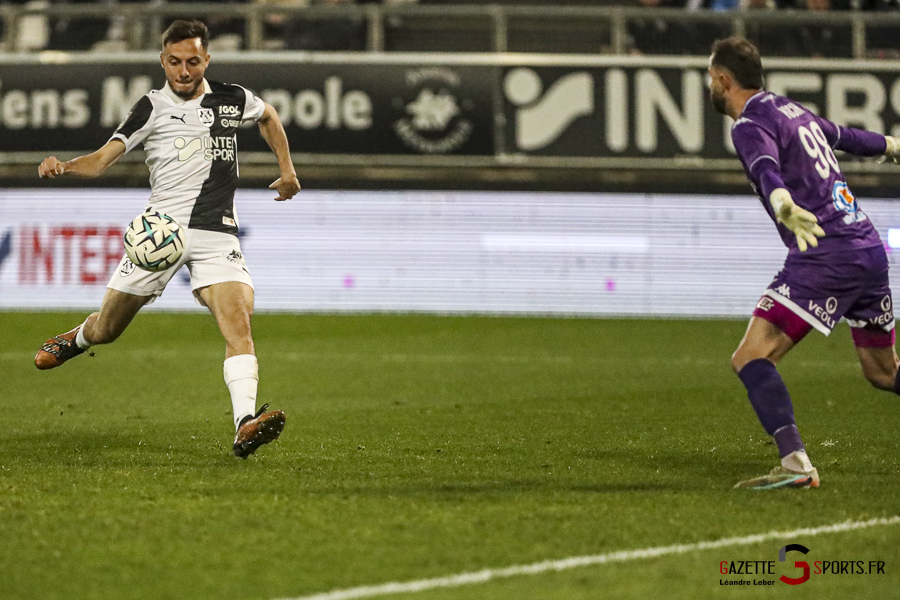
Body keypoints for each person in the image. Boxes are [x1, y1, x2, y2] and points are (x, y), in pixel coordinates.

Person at [36, 19, 301, 459]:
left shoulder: (233, 99)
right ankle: (77, 339)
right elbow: (102, 160)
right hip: (158, 235)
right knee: (108, 330)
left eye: (193, 62)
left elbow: (269, 115)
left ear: (207, 61)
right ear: (163, 61)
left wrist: (288, 170)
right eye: (175, 62)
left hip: (217, 233)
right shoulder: (150, 108)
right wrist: (63, 166)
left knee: (239, 325)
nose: (183, 71)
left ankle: (244, 423)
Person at [708, 36, 900, 489]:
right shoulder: (790, 110)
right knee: (883, 372)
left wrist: (782, 204)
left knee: (751, 356)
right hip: (866, 247)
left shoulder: (749, 123)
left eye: (710, 79)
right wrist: (893, 145)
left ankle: (795, 463)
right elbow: (848, 137)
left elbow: (764, 167)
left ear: (723, 80)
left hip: (826, 253)